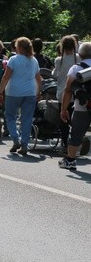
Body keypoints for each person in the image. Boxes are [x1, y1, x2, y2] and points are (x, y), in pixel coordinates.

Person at [0, 36, 41, 156]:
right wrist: (39, 92)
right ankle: (24, 145)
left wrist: (0, 92)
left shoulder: (14, 60)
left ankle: (15, 139)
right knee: (26, 119)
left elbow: (6, 76)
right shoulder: (34, 60)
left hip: (14, 92)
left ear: (19, 47)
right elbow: (38, 78)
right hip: (30, 92)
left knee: (10, 116)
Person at [58, 42, 91, 170]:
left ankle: (70, 161)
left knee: (76, 133)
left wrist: (64, 109)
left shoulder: (76, 68)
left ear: (80, 54)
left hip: (81, 106)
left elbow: (68, 90)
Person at [53, 35, 79, 150]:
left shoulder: (59, 60)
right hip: (75, 92)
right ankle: (76, 141)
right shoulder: (78, 58)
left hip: (62, 93)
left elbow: (55, 75)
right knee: (75, 118)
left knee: (63, 118)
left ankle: (64, 142)